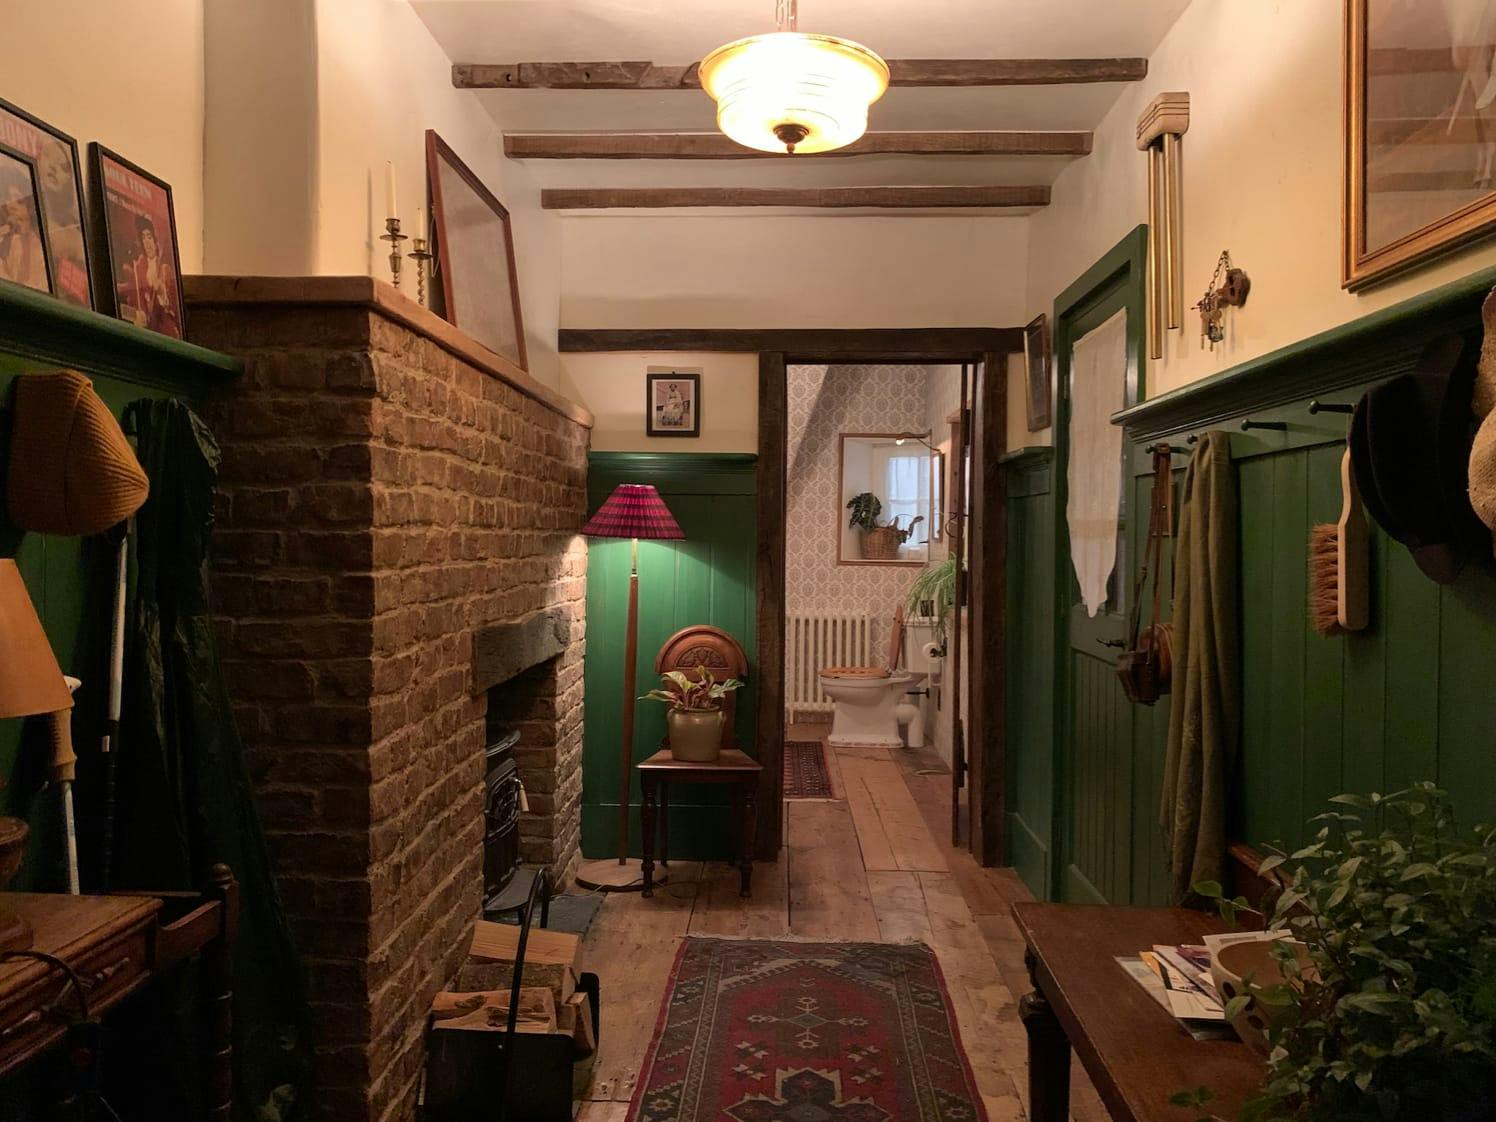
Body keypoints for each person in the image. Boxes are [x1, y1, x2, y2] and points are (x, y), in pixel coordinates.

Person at [117, 213, 179, 337]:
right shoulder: (138, 266)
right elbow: (133, 293)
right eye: (144, 237)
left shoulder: (164, 269)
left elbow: (172, 307)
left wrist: (161, 292)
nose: (147, 242)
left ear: (156, 240)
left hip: (164, 332)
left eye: (149, 237)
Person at [0, 190, 48, 292]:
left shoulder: (41, 252)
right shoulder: (7, 239)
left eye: (20, 201)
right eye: (8, 198)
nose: (11, 205)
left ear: (31, 209)